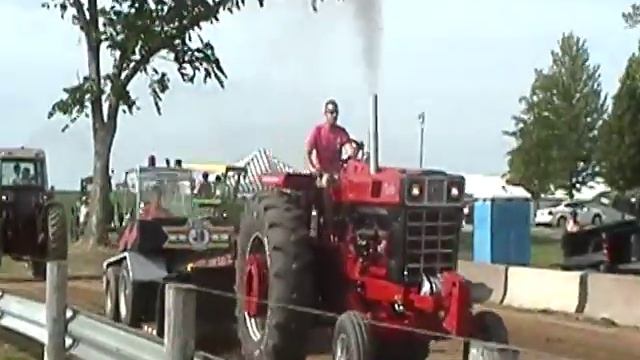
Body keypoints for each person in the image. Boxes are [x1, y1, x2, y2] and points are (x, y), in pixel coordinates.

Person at [305, 99, 356, 241]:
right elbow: (308, 152)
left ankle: (347, 222)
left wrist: (353, 152)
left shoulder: (341, 132)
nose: (334, 116)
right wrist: (313, 168)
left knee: (351, 185)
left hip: (337, 173)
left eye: (336, 113)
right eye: (331, 112)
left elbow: (349, 148)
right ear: (325, 114)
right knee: (327, 182)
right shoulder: (318, 131)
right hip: (322, 174)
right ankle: (329, 224)